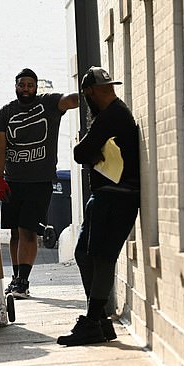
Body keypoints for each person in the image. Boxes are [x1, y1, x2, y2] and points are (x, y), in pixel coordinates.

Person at [57, 66, 140, 346]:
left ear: (89, 94)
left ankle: (93, 321)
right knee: (84, 253)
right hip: (105, 195)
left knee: (102, 257)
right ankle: (101, 320)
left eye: (108, 88)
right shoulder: (110, 115)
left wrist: (90, 150)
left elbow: (81, 152)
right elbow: (86, 151)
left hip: (117, 197)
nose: (109, 92)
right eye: (108, 88)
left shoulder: (112, 116)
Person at [0, 68, 79, 299]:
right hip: (12, 181)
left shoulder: (48, 104)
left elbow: (68, 101)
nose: (26, 89)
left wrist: (89, 92)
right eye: (22, 85)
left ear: (36, 87)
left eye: (30, 85)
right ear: (16, 86)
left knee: (28, 231)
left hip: (39, 181)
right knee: (14, 233)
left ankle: (23, 282)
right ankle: (16, 278)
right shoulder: (6, 112)